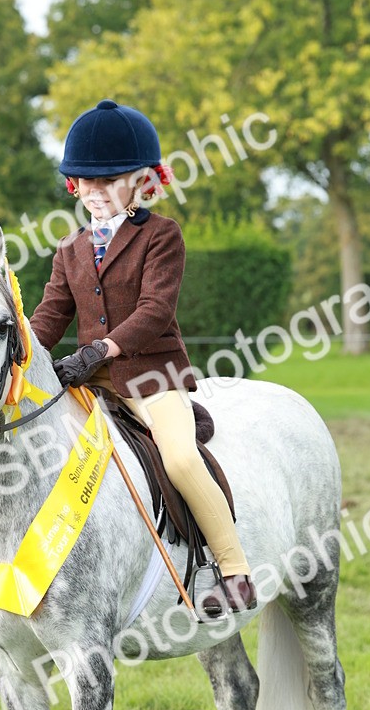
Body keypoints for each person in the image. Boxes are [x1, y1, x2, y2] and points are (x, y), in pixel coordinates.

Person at [29, 98, 256, 617]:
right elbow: (49, 317)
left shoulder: (161, 236)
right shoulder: (70, 249)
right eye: (85, 182)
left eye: (107, 181)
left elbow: (155, 310)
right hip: (93, 387)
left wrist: (101, 350)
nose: (94, 192)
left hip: (154, 378)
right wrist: (20, 352)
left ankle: (235, 569)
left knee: (178, 457)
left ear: (140, 182)